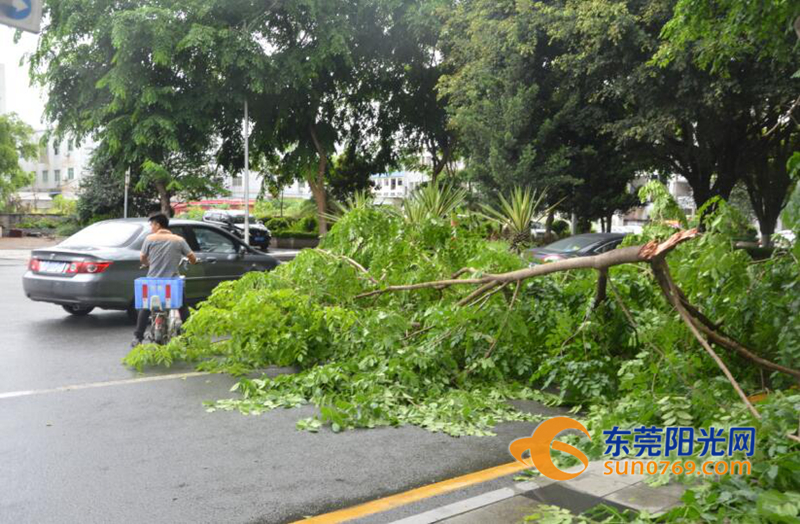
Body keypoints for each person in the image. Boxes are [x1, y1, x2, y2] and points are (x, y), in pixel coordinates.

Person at [132, 213, 197, 347]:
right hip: (172, 282)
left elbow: (142, 258)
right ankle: (188, 336)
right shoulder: (178, 240)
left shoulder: (149, 239)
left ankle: (138, 337)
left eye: (152, 225)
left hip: (153, 282)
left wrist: (148, 263)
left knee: (146, 307)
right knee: (182, 306)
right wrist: (193, 262)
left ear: (158, 225)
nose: (151, 227)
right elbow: (192, 257)